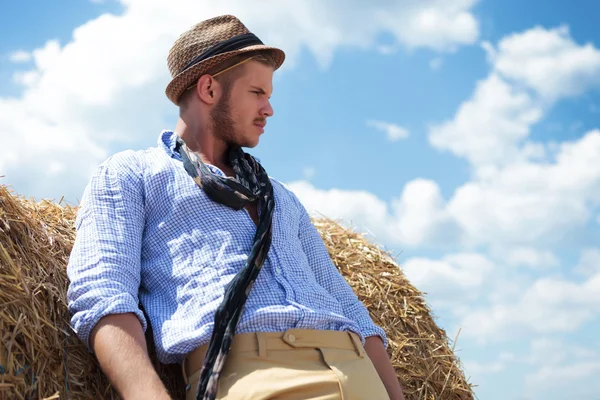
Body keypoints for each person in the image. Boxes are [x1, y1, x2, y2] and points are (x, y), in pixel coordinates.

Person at [66, 14, 405, 400]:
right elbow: (104, 295)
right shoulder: (132, 174)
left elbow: (348, 306)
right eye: (257, 93)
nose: (269, 109)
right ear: (209, 89)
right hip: (252, 378)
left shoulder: (280, 196)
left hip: (355, 371)